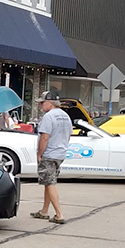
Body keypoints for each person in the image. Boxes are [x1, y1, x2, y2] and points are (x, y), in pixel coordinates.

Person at [30, 91, 70, 224]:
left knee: (50, 183)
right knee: (48, 182)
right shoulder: (65, 116)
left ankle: (59, 214)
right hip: (60, 153)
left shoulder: (48, 117)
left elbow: (44, 137)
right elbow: (69, 135)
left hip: (49, 154)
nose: (41, 105)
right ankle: (44, 211)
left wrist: (39, 154)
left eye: (43, 102)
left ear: (50, 103)